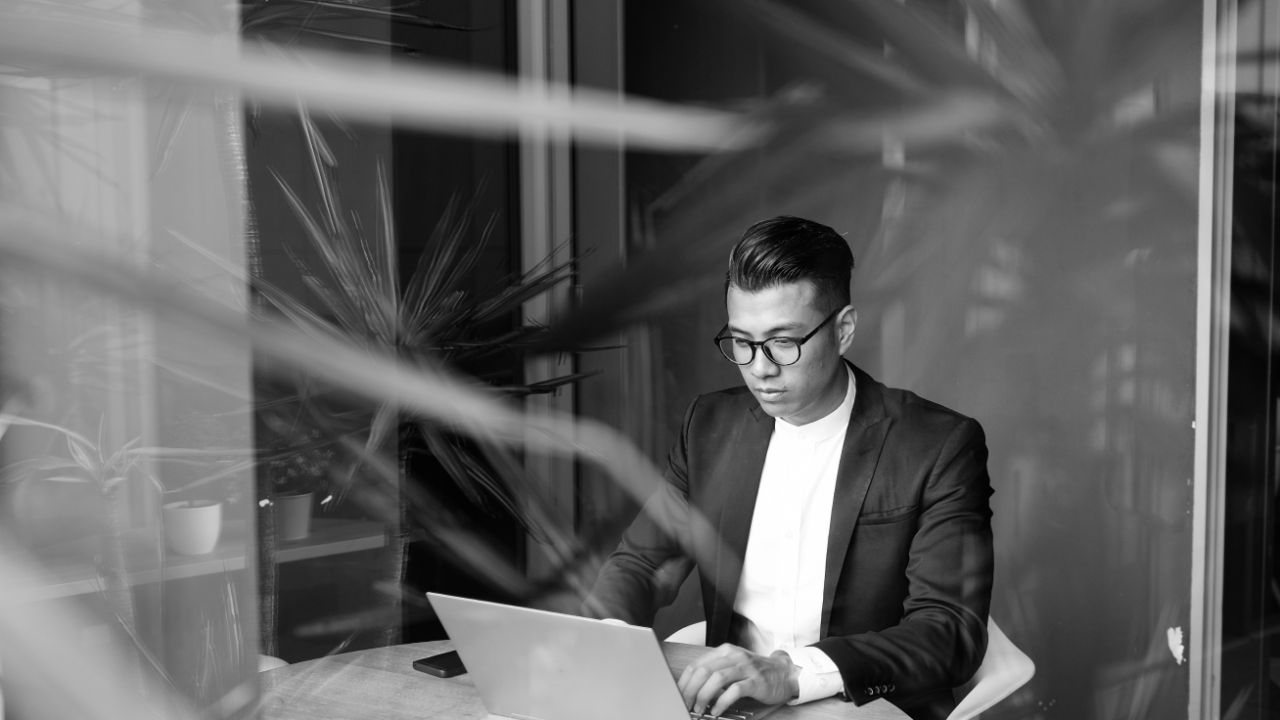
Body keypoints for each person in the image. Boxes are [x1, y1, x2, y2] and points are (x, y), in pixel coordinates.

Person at [584, 216, 994, 720]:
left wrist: (792, 673)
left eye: (783, 342)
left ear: (843, 330)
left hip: (864, 704)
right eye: (741, 341)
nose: (759, 367)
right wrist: (606, 645)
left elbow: (949, 629)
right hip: (730, 706)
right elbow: (643, 564)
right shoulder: (710, 426)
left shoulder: (936, 445)